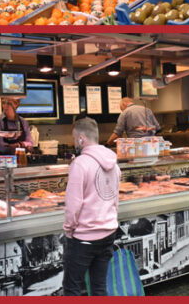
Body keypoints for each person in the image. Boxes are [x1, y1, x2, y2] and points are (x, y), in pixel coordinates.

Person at [63, 117, 120, 296]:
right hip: (108, 233)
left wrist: (69, 230)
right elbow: (114, 199)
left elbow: (73, 204)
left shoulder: (79, 164)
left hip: (84, 237)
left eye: (74, 138)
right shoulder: (114, 164)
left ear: (81, 138)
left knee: (72, 288)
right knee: (99, 287)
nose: (74, 142)